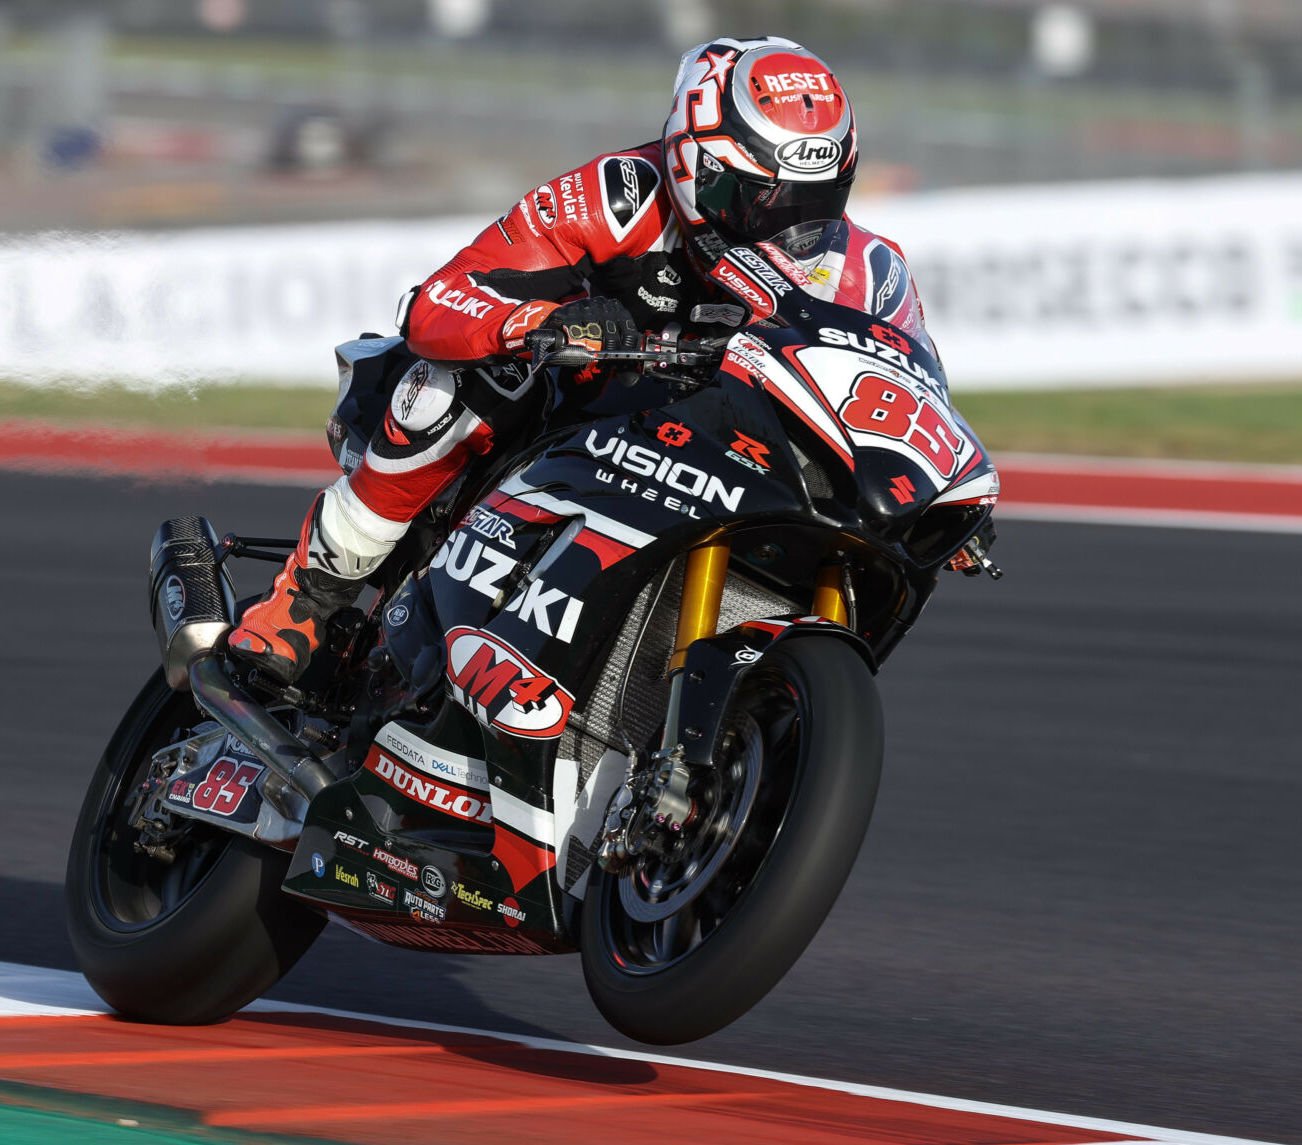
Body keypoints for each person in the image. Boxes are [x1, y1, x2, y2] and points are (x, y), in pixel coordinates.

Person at [229, 35, 925, 685]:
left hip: (716, 446)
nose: (784, 224)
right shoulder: (619, 194)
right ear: (693, 164)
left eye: (811, 200)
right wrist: (543, 322)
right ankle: (310, 597)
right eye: (756, 197)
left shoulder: (870, 268)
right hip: (571, 416)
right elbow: (439, 302)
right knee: (448, 383)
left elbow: (907, 389)